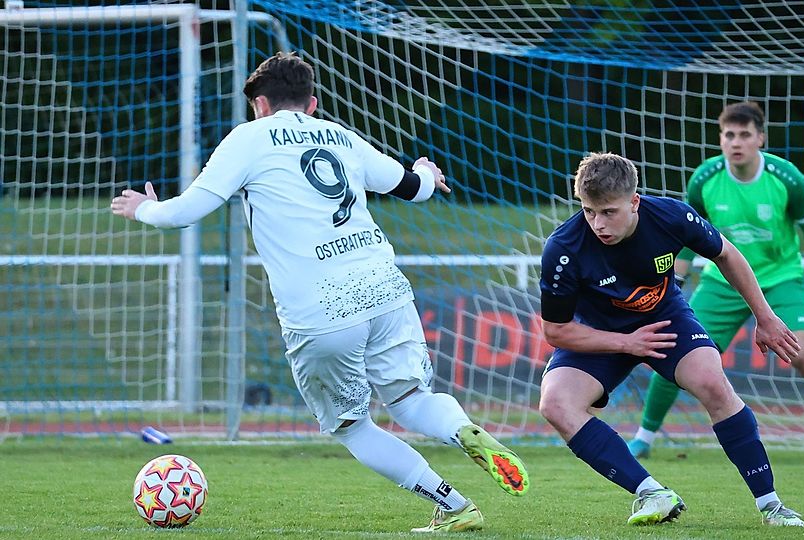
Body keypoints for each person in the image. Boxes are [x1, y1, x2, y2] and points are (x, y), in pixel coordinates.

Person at [111, 51, 528, 533]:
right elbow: (412, 187)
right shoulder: (341, 136)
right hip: (384, 290)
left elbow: (183, 212)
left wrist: (144, 208)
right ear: (311, 103)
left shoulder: (248, 139)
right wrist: (425, 173)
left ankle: (454, 505)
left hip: (322, 310)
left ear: (260, 105)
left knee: (354, 427)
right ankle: (462, 430)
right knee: (413, 400)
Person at [538, 152, 804, 527]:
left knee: (712, 383)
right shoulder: (563, 249)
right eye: (589, 211)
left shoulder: (670, 216)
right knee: (555, 404)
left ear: (634, 201)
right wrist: (626, 343)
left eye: (609, 212)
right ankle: (652, 493)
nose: (598, 223)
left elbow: (727, 254)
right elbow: (555, 331)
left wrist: (765, 316)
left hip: (664, 320)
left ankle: (772, 506)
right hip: (599, 332)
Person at [627, 101, 804, 464]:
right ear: (720, 139)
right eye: (729, 135)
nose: (736, 142)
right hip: (721, 282)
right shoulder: (705, 179)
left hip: (779, 279)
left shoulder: (786, 178)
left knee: (803, 356)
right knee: (677, 352)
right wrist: (674, 277)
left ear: (761, 138)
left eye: (744, 135)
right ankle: (642, 439)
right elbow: (687, 234)